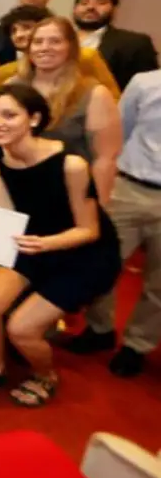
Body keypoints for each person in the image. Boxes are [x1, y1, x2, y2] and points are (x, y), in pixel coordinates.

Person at [0, 83, 120, 407]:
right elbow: (6, 214)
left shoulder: (71, 164)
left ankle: (46, 376)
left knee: (22, 329)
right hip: (29, 241)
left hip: (82, 253)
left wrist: (45, 244)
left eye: (9, 115)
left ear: (34, 119)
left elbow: (89, 230)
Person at [64, 69, 161, 378]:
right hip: (130, 187)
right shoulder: (144, 82)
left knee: (159, 283)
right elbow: (120, 133)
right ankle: (99, 327)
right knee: (101, 263)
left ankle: (137, 345)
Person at [19, 17, 122, 205]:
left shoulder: (94, 94)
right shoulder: (13, 86)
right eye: (38, 42)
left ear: (71, 47)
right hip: (17, 186)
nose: (45, 47)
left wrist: (99, 208)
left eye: (55, 41)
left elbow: (105, 159)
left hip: (69, 195)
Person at [0, 5, 119, 97]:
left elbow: (114, 98)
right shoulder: (5, 72)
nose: (19, 35)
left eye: (27, 27)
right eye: (13, 31)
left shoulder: (86, 57)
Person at [71, 0, 158, 93]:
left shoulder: (133, 42)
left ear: (114, 9)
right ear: (74, 9)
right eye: (84, 3)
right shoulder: (58, 39)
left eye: (101, 2)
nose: (91, 7)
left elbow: (148, 87)